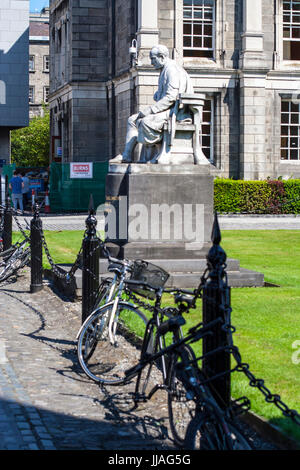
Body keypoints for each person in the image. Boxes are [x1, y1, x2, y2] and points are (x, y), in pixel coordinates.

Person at [111, 44, 193, 163]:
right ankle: (127, 155)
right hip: (168, 110)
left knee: (145, 121)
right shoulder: (164, 69)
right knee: (132, 120)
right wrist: (158, 95)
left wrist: (150, 110)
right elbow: (166, 94)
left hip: (176, 112)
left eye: (153, 59)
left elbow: (171, 97)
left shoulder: (171, 70)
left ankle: (160, 153)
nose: (151, 62)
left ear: (162, 57)